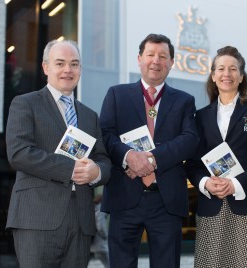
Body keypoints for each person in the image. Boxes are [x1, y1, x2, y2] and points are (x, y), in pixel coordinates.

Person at [5, 40, 111, 267]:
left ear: (80, 69)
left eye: (74, 64)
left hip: (80, 220)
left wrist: (96, 172)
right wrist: (71, 169)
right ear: (45, 67)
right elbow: (19, 153)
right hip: (36, 218)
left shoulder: (89, 116)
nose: (67, 70)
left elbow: (103, 159)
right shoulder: (25, 104)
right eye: (60, 63)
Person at [99, 33, 199, 268]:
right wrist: (129, 157)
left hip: (165, 201)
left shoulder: (185, 100)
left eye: (163, 56)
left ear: (172, 62)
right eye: (150, 54)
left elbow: (190, 140)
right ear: (139, 59)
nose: (156, 60)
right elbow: (105, 135)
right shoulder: (117, 94)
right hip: (125, 196)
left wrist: (152, 159)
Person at [185, 46, 247, 267]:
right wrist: (206, 183)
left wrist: (236, 184)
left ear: (241, 76)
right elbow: (193, 164)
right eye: (221, 69)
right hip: (211, 206)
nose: (227, 74)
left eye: (233, 69)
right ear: (213, 76)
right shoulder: (200, 116)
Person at [90, 192, 110, 268]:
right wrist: (105, 235)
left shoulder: (94, 207)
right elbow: (100, 225)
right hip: (100, 244)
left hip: (94, 244)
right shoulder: (101, 209)